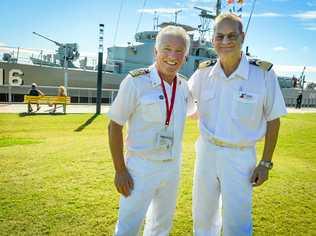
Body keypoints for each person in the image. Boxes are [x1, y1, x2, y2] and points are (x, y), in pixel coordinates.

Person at [188, 13, 287, 236]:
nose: (225, 42)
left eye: (232, 36)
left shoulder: (262, 74)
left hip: (240, 157)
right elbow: (180, 102)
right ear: (213, 39)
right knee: (202, 218)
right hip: (206, 152)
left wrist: (266, 163)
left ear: (243, 37)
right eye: (220, 36)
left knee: (238, 222)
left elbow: (274, 120)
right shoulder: (204, 72)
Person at [107, 26, 194, 236]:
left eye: (179, 51)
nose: (172, 56)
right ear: (155, 51)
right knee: (128, 226)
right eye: (166, 49)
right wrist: (120, 170)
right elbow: (114, 125)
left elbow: (194, 112)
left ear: (186, 55)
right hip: (141, 167)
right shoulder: (136, 81)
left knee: (161, 227)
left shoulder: (183, 87)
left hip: (172, 166)